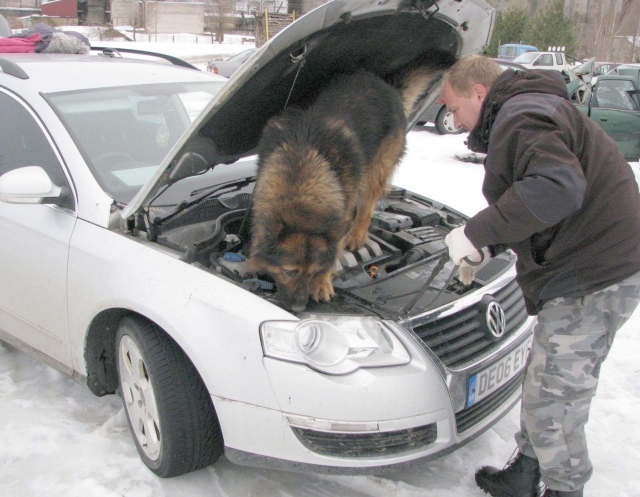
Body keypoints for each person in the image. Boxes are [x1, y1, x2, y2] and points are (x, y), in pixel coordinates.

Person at [441, 55, 640, 497]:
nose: (454, 123)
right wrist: (489, 244)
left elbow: (557, 189)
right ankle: (527, 470)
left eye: (454, 109)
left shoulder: (521, 115)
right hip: (594, 256)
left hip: (593, 271)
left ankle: (564, 489)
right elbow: (537, 195)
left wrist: (479, 230)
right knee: (545, 377)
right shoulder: (528, 108)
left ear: (478, 93)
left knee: (555, 396)